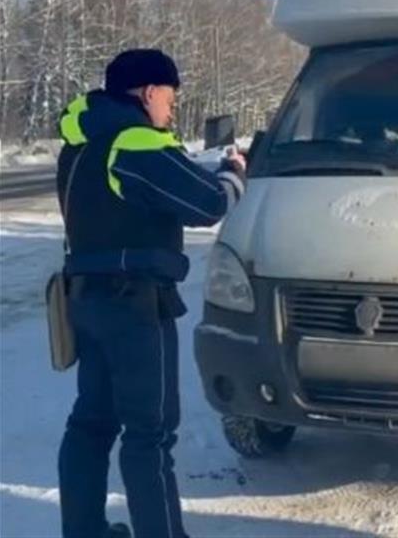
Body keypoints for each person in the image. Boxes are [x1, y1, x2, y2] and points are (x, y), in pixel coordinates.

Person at [55, 49, 246, 538]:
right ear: (147, 92)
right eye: (169, 95)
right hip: (135, 307)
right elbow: (205, 203)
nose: (172, 107)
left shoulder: (79, 144)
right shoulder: (135, 142)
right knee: (150, 435)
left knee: (90, 425)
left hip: (86, 302)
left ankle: (83, 531)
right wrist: (233, 177)